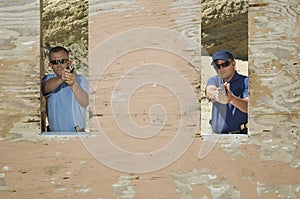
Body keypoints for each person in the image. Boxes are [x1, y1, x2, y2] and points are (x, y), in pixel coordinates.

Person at [42, 46, 89, 132]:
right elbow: (45, 87)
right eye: (55, 62)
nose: (59, 65)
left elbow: (85, 102)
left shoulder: (80, 79)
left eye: (62, 61)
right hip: (53, 135)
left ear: (69, 62)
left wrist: (73, 84)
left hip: (76, 134)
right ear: (50, 65)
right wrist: (61, 79)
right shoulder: (48, 79)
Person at [205, 50, 248, 134]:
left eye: (225, 64)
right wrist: (217, 95)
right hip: (216, 136)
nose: (221, 69)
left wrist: (231, 99)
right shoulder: (214, 80)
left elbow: (248, 106)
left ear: (233, 64)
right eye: (217, 66)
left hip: (239, 135)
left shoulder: (245, 81)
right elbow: (210, 91)